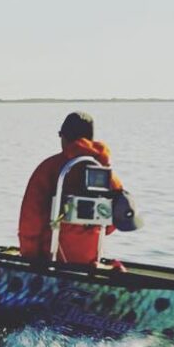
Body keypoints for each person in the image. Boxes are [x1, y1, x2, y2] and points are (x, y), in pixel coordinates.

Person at [18, 111, 125, 264]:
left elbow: (30, 220)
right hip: (90, 262)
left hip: (50, 259)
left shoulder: (49, 169)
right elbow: (114, 221)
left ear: (64, 137)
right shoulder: (105, 173)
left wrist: (30, 258)